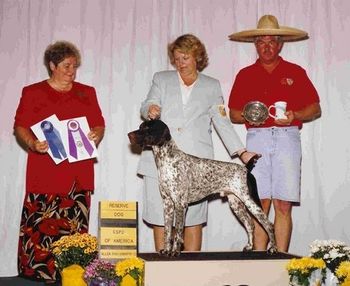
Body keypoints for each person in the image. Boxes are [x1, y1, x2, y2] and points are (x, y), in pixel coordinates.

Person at [137, 34, 259, 252]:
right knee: (160, 217)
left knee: (192, 220)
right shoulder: (161, 79)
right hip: (160, 164)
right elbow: (148, 103)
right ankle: (162, 269)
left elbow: (222, 122)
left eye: (185, 57)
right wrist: (150, 110)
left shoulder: (212, 86)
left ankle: (193, 274)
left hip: (196, 168)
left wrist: (241, 152)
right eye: (176, 58)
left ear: (197, 57)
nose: (180, 63)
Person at [228, 15, 321, 252]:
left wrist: (296, 115)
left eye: (272, 41)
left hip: (286, 136)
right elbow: (233, 114)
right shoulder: (245, 74)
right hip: (257, 139)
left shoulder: (295, 72)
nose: (266, 46)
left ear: (280, 44)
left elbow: (315, 108)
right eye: (261, 41)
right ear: (255, 45)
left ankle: (279, 260)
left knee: (283, 203)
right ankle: (259, 259)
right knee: (261, 203)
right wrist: (248, 116)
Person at [14, 41, 105, 282]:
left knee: (75, 231)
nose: (71, 71)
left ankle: (73, 275)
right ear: (52, 65)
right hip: (44, 173)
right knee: (40, 228)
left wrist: (96, 134)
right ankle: (38, 274)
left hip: (78, 174)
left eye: (74, 66)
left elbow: (99, 123)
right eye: (66, 66)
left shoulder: (87, 92)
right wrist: (33, 144)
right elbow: (20, 126)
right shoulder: (32, 92)